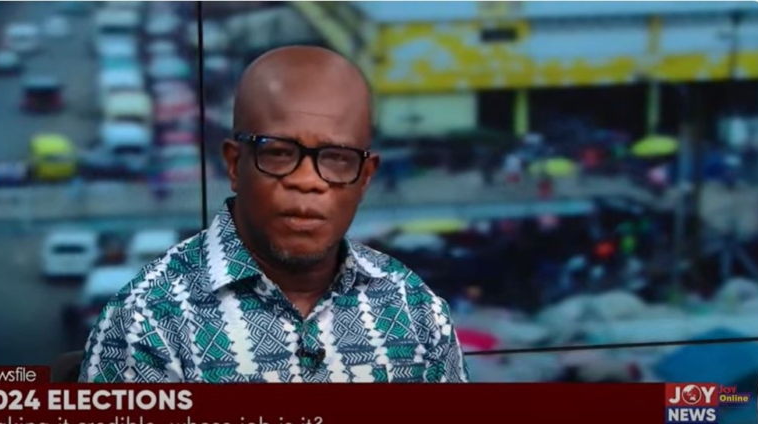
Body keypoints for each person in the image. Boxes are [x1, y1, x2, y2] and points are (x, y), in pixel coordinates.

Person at [79, 46, 468, 383]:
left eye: (336, 158)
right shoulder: (146, 322)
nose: (307, 181)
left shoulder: (415, 306)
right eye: (279, 152)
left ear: (365, 178)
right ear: (235, 164)